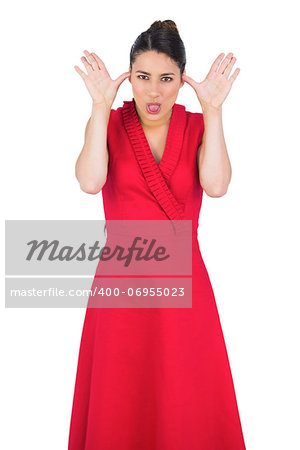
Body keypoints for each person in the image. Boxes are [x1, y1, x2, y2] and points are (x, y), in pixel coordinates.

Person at [69, 19, 246, 450]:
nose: (153, 91)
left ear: (182, 81)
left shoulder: (198, 127)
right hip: (121, 281)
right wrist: (97, 107)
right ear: (129, 78)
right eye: (143, 77)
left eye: (166, 79)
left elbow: (218, 185)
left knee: (186, 393)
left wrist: (215, 111)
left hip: (184, 281)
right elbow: (90, 182)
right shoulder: (108, 124)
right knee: (120, 394)